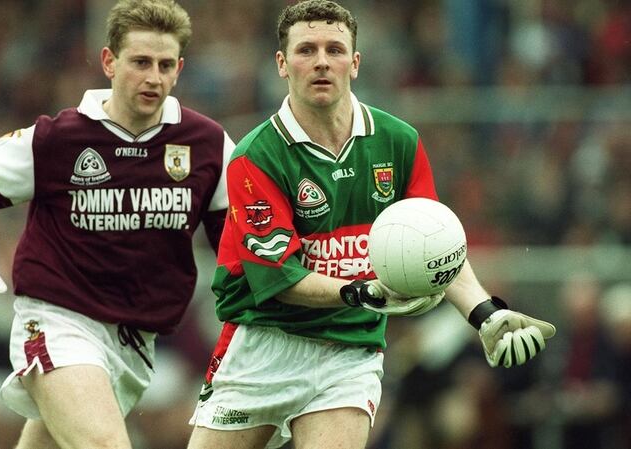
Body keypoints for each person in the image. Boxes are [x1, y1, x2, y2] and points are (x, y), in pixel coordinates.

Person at [187, 2, 556, 449]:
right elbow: (279, 280)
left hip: (350, 347)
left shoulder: (398, 140)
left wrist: (484, 313)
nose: (322, 61)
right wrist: (361, 290)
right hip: (264, 343)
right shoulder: (254, 156)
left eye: (334, 49)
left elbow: (435, 245)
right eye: (306, 49)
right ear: (282, 64)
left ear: (355, 63)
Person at [0, 0, 233, 448]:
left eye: (166, 65)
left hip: (135, 342)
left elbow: (236, 243)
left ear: (180, 67)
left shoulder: (207, 143)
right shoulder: (57, 138)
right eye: (141, 62)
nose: (154, 77)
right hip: (57, 322)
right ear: (109, 61)